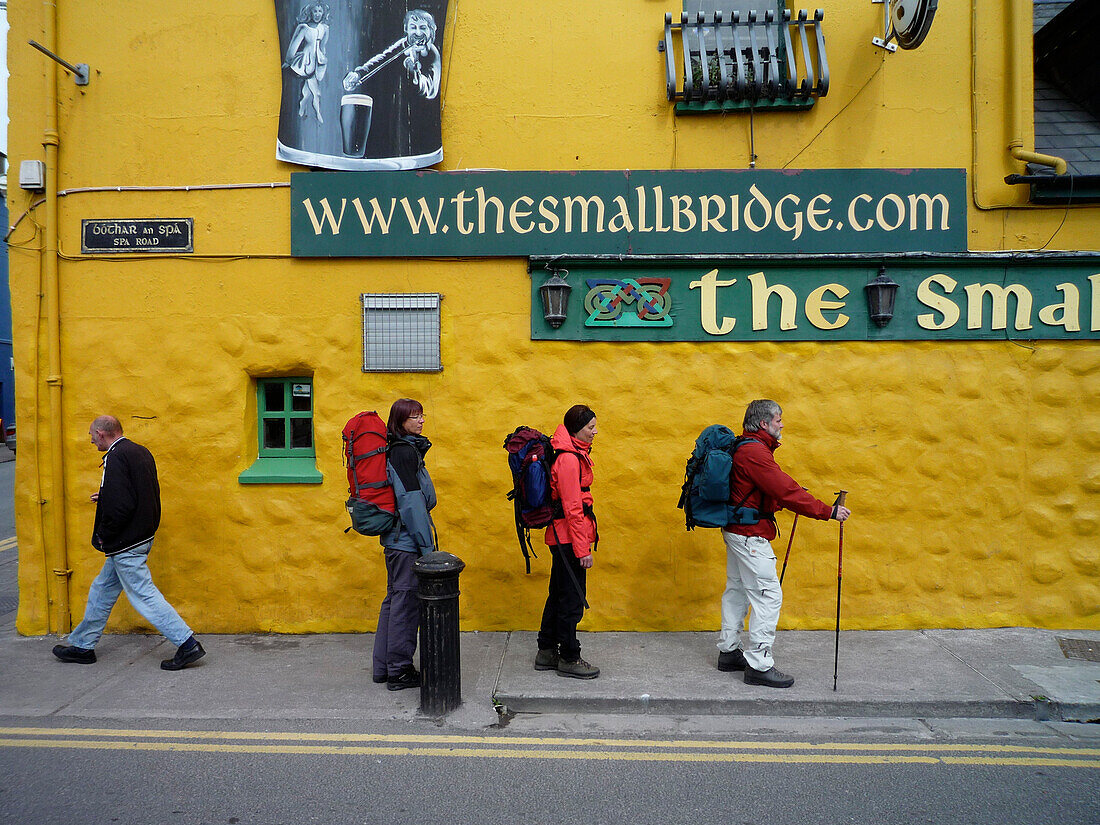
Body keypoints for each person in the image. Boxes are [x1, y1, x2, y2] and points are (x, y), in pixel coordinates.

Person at [52, 416, 206, 671]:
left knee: (144, 594)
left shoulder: (115, 457)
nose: (90, 439)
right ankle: (83, 646)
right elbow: (140, 491)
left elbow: (121, 506)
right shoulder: (139, 451)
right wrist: (106, 495)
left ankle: (187, 644)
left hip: (126, 542)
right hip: (139, 536)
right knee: (102, 590)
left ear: (102, 434)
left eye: (91, 435)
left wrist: (104, 533)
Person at [717, 400, 850, 689]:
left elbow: (764, 491)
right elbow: (784, 489)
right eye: (778, 419)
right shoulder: (754, 452)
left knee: (738, 589)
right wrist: (827, 511)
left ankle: (728, 652)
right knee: (768, 596)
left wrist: (790, 498)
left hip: (739, 530)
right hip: (750, 535)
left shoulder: (748, 447)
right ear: (764, 423)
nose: (782, 424)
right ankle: (759, 664)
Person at [372, 398, 437, 691]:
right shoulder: (403, 453)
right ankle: (399, 670)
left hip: (397, 542)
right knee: (406, 606)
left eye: (421, 415)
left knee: (394, 601)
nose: (421, 420)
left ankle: (383, 667)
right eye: (414, 417)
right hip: (407, 544)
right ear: (400, 422)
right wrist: (428, 551)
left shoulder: (401, 450)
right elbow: (412, 504)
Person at [535, 405, 600, 679]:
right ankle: (569, 657)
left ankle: (546, 650)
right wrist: (582, 550)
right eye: (590, 427)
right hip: (569, 539)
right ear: (577, 430)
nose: (595, 432)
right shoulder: (570, 460)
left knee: (558, 593)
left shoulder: (567, 454)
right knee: (572, 599)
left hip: (561, 536)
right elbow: (573, 508)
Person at [283, 3, 330, 123]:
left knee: (307, 89)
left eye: (320, 11)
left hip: (317, 61)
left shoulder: (324, 28)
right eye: (315, 11)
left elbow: (323, 46)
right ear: (310, 13)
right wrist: (288, 61)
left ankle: (302, 106)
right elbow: (294, 45)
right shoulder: (303, 28)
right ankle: (318, 114)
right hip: (305, 62)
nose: (318, 14)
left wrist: (323, 59)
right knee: (316, 92)